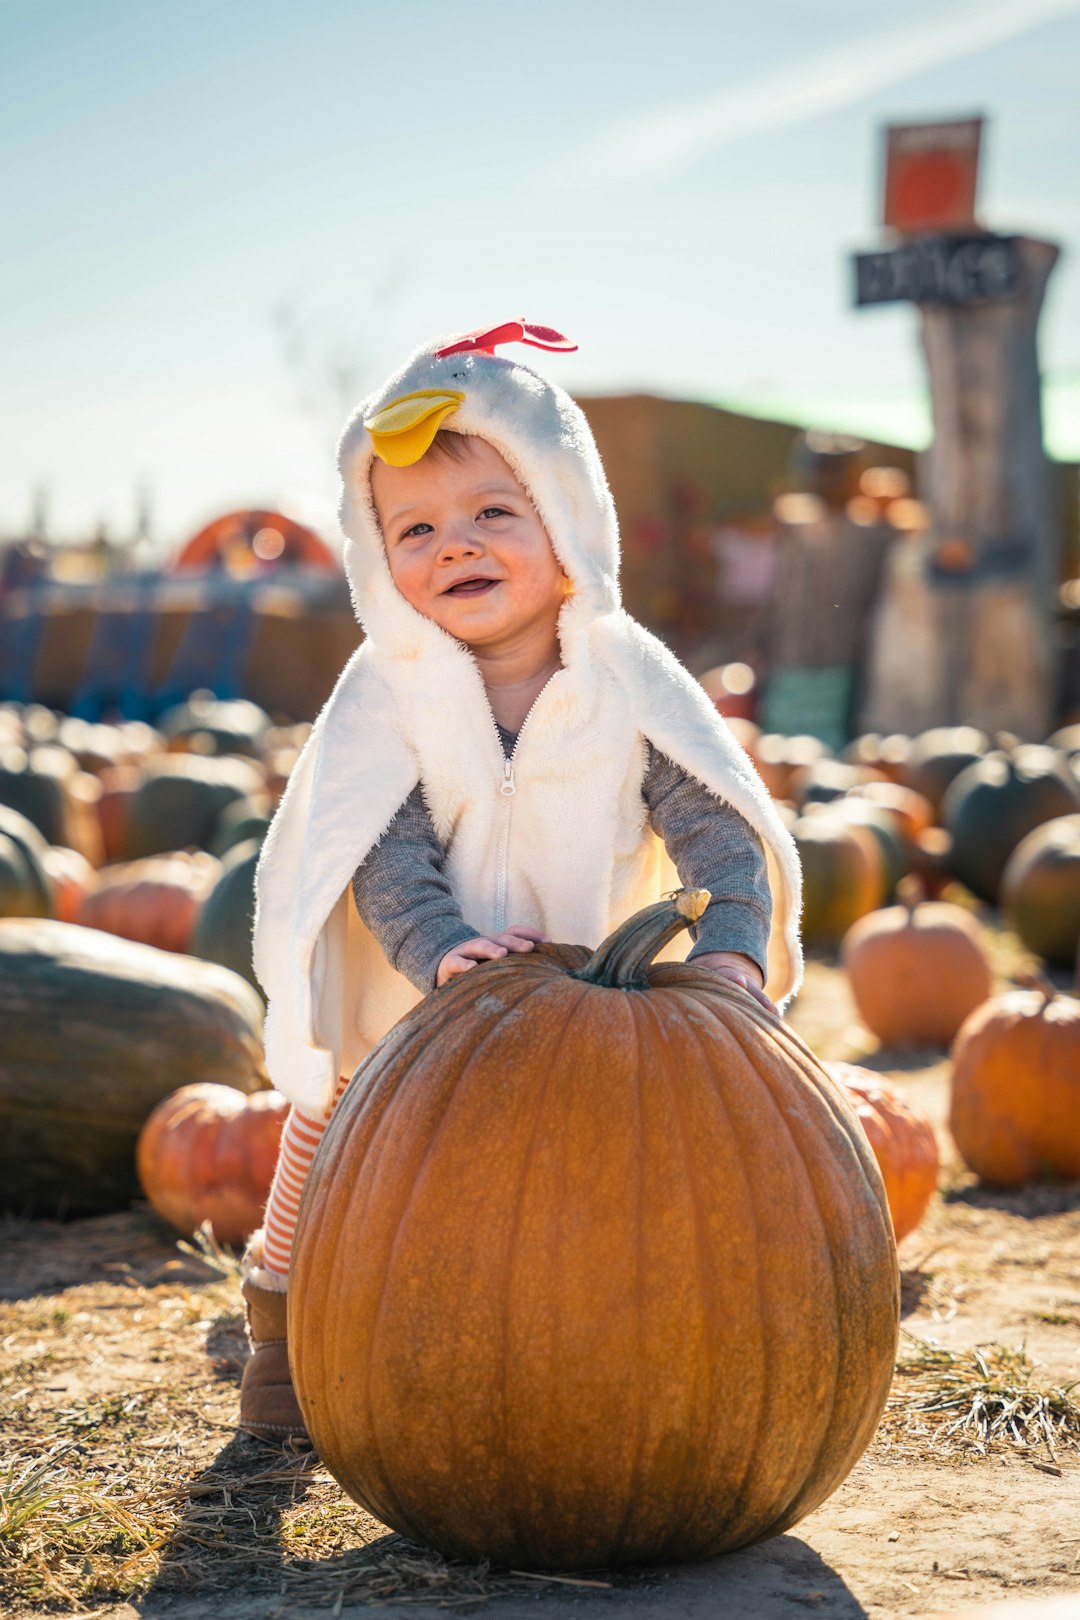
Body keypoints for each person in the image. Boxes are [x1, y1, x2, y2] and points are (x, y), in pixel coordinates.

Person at [239, 321, 804, 1443]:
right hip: (416, 1003)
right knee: (326, 1138)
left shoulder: (622, 683)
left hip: (580, 1006)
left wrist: (733, 943)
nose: (457, 545)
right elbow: (378, 852)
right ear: (376, 555)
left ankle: (561, 1353)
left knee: (573, 1188)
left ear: (568, 522)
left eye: (495, 511)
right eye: (416, 528)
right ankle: (282, 1325)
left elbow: (717, 829)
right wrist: (437, 949)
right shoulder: (389, 695)